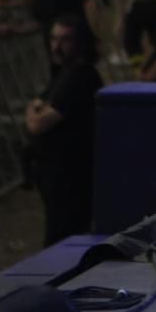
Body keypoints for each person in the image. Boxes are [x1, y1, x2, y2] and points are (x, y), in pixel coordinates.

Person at [26, 15, 102, 244]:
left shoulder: (80, 76)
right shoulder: (63, 72)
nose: (57, 46)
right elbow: (38, 105)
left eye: (65, 40)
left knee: (63, 238)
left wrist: (33, 111)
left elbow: (38, 123)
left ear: (80, 42)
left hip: (69, 175)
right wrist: (35, 108)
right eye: (54, 39)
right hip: (57, 172)